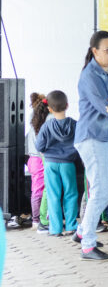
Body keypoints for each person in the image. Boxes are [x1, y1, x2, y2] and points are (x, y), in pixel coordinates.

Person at [73, 30, 108, 261]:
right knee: (101, 187)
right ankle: (88, 246)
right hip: (91, 137)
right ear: (95, 51)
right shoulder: (89, 76)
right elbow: (107, 107)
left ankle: (82, 231)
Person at [34, 91, 78, 237]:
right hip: (68, 164)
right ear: (67, 105)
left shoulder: (46, 126)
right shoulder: (75, 124)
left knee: (53, 195)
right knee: (71, 194)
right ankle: (71, 226)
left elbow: (39, 146)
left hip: (50, 163)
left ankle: (55, 229)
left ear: (50, 109)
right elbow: (81, 142)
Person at [26, 93, 49, 232]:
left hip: (33, 159)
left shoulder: (32, 122)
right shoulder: (40, 125)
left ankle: (37, 220)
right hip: (39, 159)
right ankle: (37, 221)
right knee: (39, 191)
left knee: (37, 190)